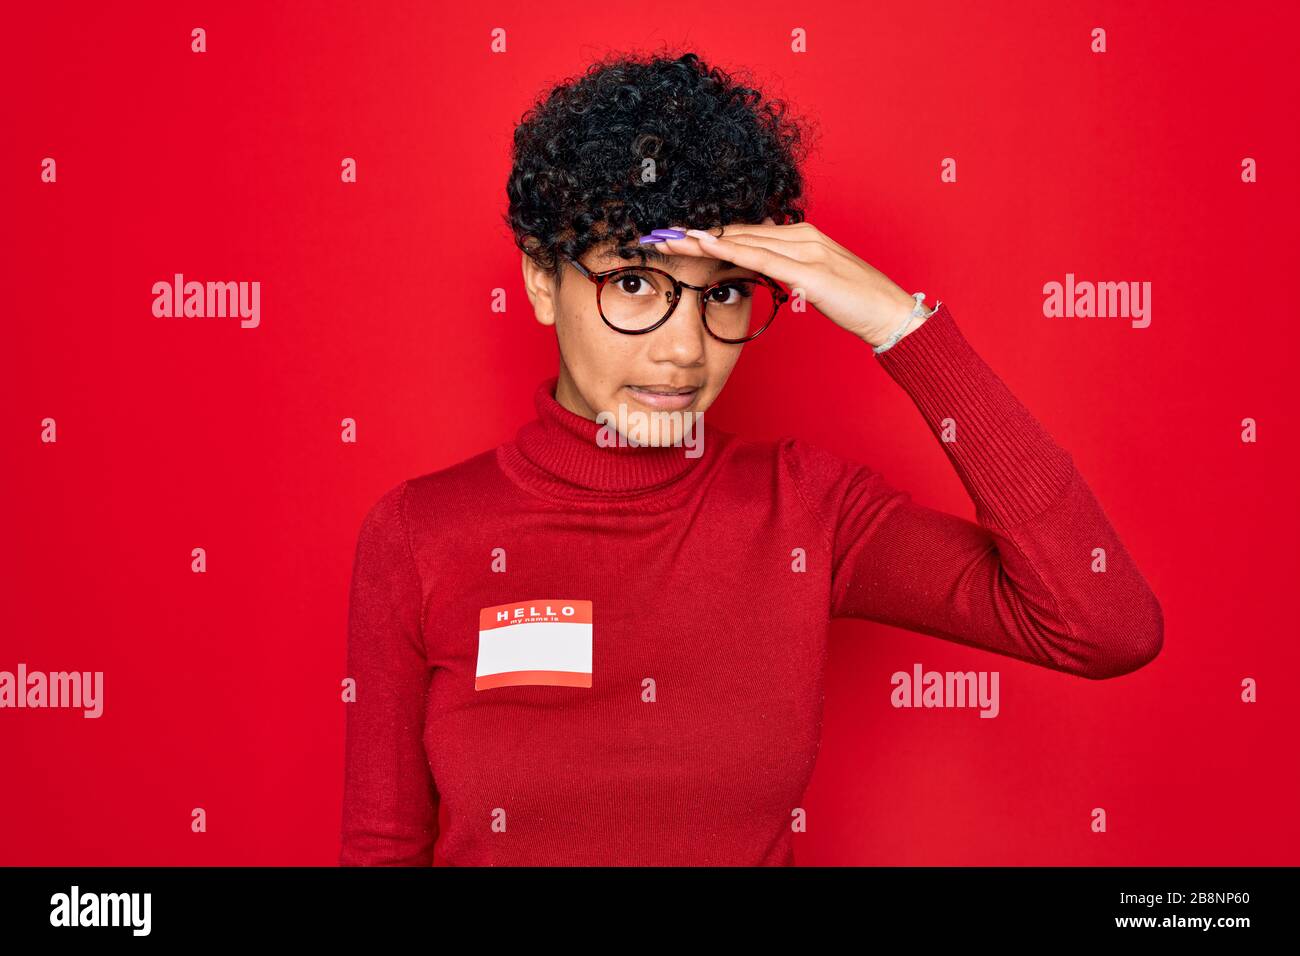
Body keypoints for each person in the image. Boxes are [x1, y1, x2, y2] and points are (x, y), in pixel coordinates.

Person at [339, 50, 1162, 867]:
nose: (685, 351)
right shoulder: (421, 534)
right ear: (542, 281)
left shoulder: (804, 509)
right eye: (633, 282)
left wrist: (902, 326)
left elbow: (1104, 628)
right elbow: (382, 847)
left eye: (725, 291)